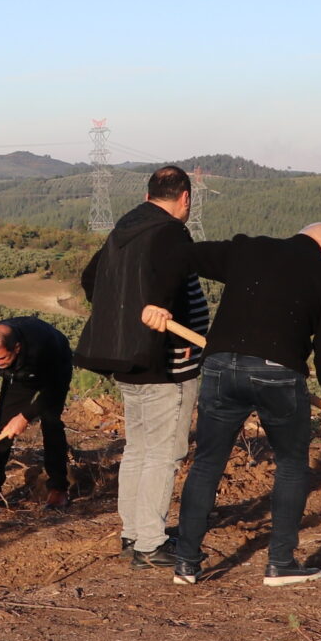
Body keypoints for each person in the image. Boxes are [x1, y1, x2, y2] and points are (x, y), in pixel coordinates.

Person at [167, 223, 321, 587]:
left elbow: (183, 257)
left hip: (221, 365)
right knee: (291, 466)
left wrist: (159, 303)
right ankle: (281, 563)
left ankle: (186, 563)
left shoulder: (249, 247)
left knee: (208, 462)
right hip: (278, 375)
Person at [77, 166, 211, 563]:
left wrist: (123, 315)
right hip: (167, 362)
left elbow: (90, 280)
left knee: (138, 448)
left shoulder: (124, 229)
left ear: (149, 192)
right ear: (185, 198)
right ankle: (151, 544)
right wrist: (153, 317)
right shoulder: (170, 232)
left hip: (128, 360)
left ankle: (133, 532)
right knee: (164, 453)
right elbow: (166, 288)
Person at [0, 317, 76, 510]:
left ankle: (58, 488)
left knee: (50, 420)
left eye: (1, 358)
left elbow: (54, 390)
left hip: (53, 369)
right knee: (2, 426)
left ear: (17, 348)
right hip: (21, 374)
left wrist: (25, 416)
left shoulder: (44, 346)